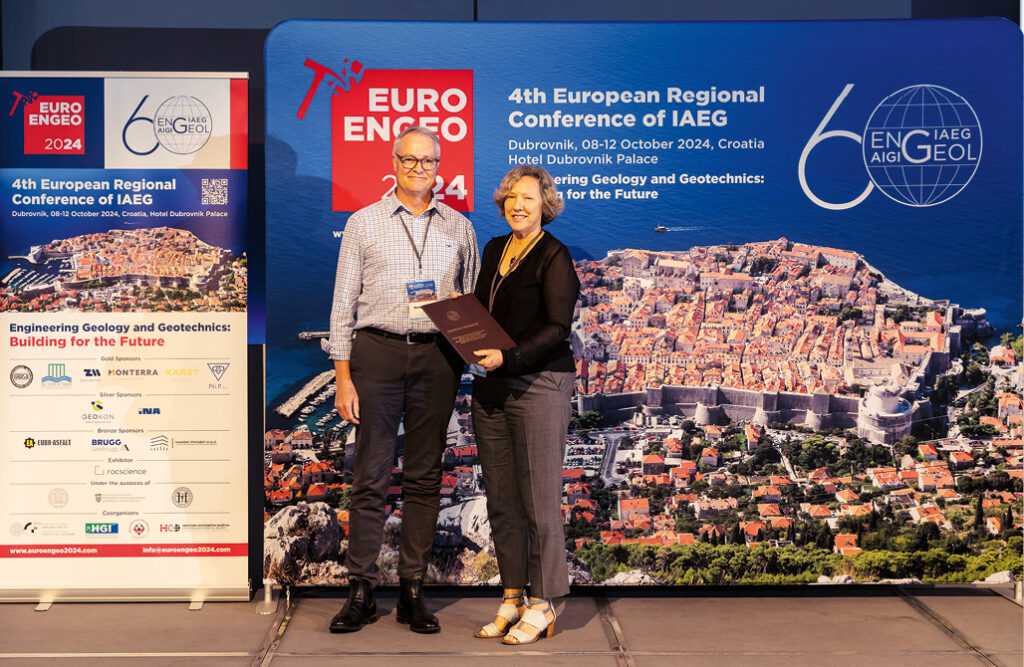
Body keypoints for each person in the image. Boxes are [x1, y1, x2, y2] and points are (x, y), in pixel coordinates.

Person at [326, 126, 478, 634]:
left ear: (439, 168)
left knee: (424, 476)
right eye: (409, 160)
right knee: (370, 475)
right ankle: (362, 589)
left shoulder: (460, 227)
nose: (418, 168)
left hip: (438, 358)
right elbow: (342, 307)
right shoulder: (363, 223)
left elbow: (471, 302)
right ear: (393, 163)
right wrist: (343, 379)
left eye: (427, 161)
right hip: (378, 353)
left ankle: (413, 588)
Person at [470, 165, 580, 645]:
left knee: (539, 502)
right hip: (492, 386)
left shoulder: (555, 255)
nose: (518, 205)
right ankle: (513, 595)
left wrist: (508, 357)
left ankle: (545, 602)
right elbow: (481, 311)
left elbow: (558, 327)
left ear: (545, 206)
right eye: (512, 197)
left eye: (529, 198)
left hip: (539, 383)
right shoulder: (494, 248)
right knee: (502, 501)